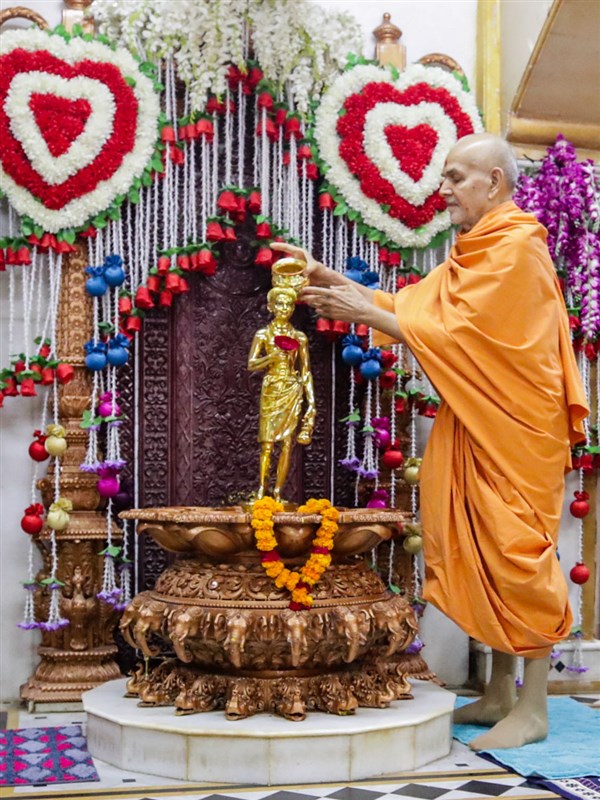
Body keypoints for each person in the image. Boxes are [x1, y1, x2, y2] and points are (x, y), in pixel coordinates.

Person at [272, 132, 588, 750]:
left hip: (518, 427)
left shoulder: (517, 247)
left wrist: (366, 315)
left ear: (493, 182)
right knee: (490, 554)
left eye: (456, 177)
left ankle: (533, 707)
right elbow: (418, 311)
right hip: (477, 418)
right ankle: (499, 693)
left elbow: (465, 341)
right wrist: (327, 276)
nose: (442, 189)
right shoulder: (475, 248)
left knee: (519, 556)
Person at [248, 286, 316, 502]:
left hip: (291, 388)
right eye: (280, 304)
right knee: (267, 444)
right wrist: (271, 358)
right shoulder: (263, 334)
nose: (284, 308)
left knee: (287, 443)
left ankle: (278, 491)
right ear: (271, 307)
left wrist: (311, 403)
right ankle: (262, 489)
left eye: (288, 305)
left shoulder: (299, 337)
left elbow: (305, 371)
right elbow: (251, 364)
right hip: (271, 388)